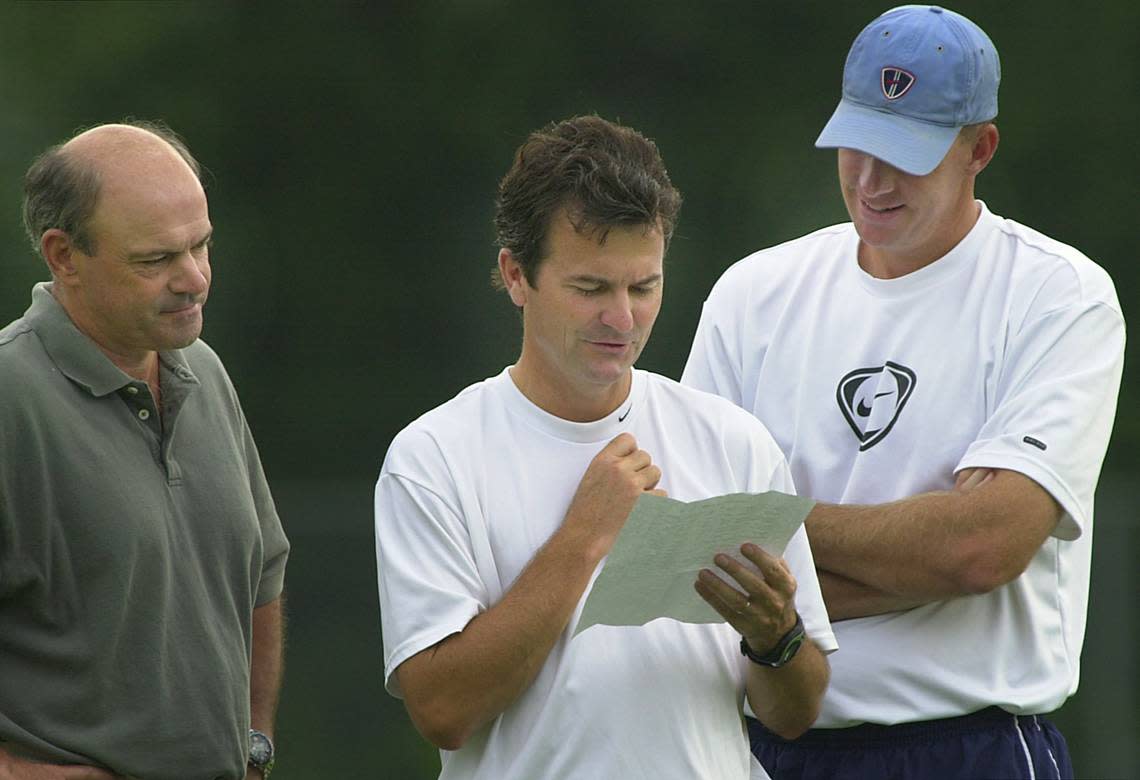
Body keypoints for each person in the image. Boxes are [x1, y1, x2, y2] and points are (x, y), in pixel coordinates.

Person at [682, 6, 1125, 780]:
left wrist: (768, 547)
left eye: (906, 152)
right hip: (759, 750)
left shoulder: (1060, 295)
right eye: (857, 144)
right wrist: (917, 554)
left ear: (978, 149)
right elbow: (688, 552)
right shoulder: (752, 295)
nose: (872, 179)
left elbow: (982, 548)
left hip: (971, 747)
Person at [374, 115, 836, 779]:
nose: (622, 319)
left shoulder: (734, 441)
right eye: (591, 289)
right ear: (515, 275)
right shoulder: (433, 457)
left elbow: (794, 715)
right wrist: (584, 536)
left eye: (643, 286)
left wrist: (777, 637)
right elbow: (443, 710)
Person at [0, 122, 290, 779]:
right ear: (63, 255)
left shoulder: (204, 371)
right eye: (155, 260)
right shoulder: (10, 398)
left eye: (202, 246)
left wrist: (254, 747)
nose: (194, 279)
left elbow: (261, 576)